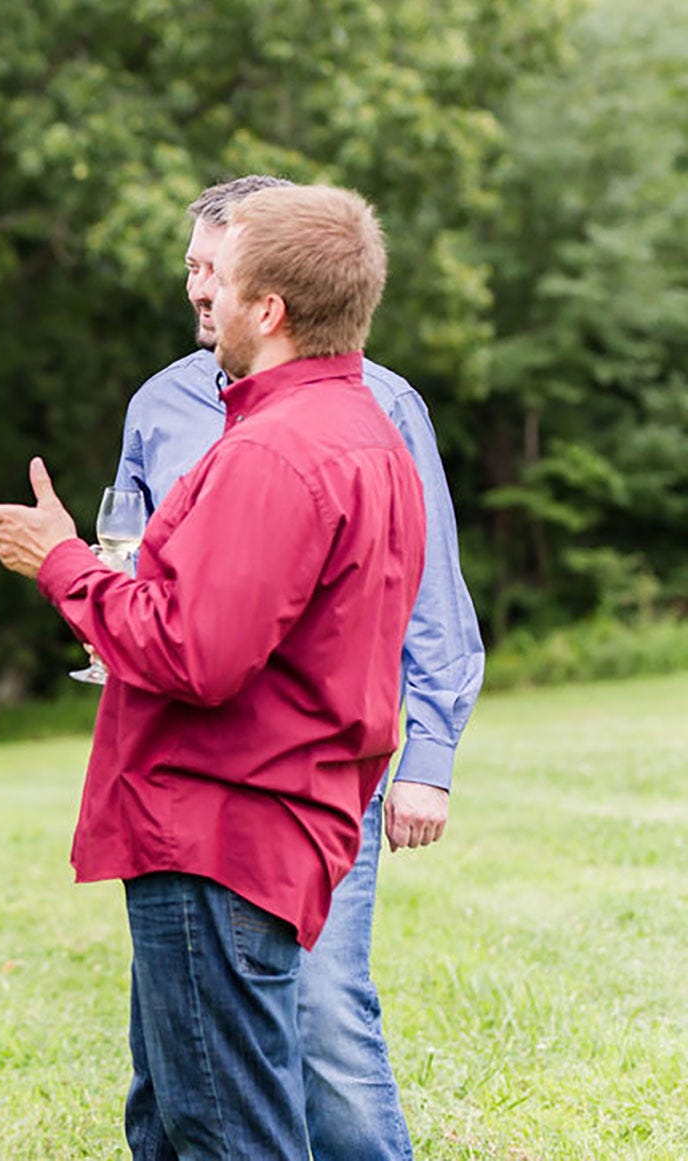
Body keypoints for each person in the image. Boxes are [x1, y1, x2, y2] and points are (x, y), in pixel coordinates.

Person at [0, 185, 425, 1156]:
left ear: (270, 309)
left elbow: (194, 653)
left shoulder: (277, 453)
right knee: (168, 1118)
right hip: (259, 823)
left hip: (221, 829)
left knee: (224, 1133)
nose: (205, 301)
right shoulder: (365, 434)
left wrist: (61, 562)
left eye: (223, 282)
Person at [116, 175, 484, 1160]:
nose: (200, 290)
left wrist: (430, 756)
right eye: (191, 266)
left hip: (312, 768)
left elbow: (429, 586)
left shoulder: (376, 404)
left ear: (270, 289)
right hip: (181, 773)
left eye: (219, 271)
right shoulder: (159, 405)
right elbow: (134, 552)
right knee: (176, 1029)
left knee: (320, 1012)